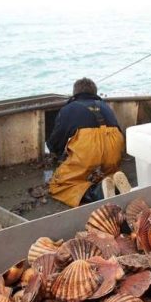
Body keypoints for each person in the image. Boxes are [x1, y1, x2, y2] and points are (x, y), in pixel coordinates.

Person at [47, 78, 130, 207]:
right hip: (115, 143)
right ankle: (114, 182)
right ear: (95, 92)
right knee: (106, 174)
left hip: (88, 146)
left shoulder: (69, 109)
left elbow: (56, 141)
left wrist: (59, 155)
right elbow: (119, 131)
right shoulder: (105, 106)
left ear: (75, 93)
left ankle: (96, 193)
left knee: (58, 185)